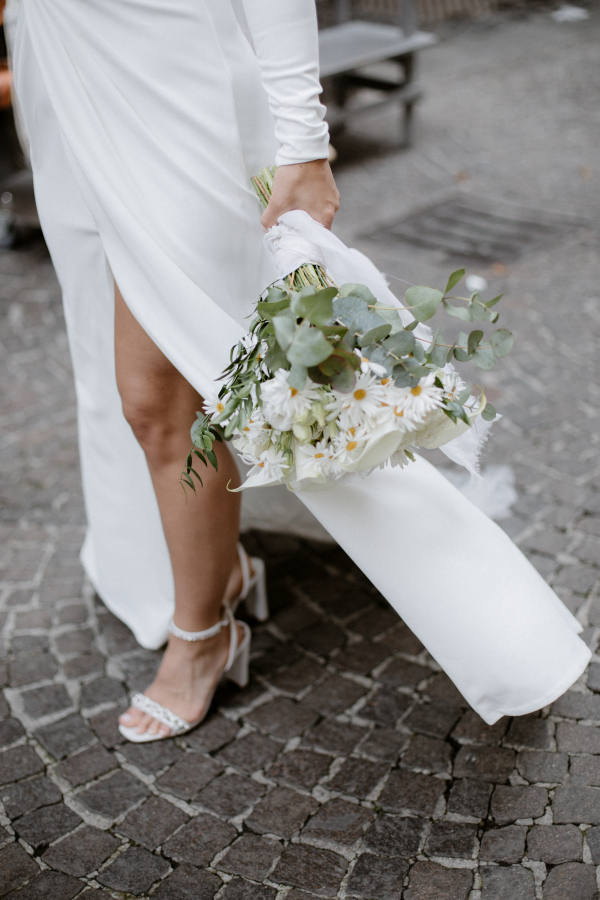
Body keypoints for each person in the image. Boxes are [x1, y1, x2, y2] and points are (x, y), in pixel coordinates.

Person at [9, 0, 591, 743]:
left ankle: (207, 636)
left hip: (171, 95)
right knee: (132, 382)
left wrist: (304, 144)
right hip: (61, 83)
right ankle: (213, 579)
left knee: (171, 393)